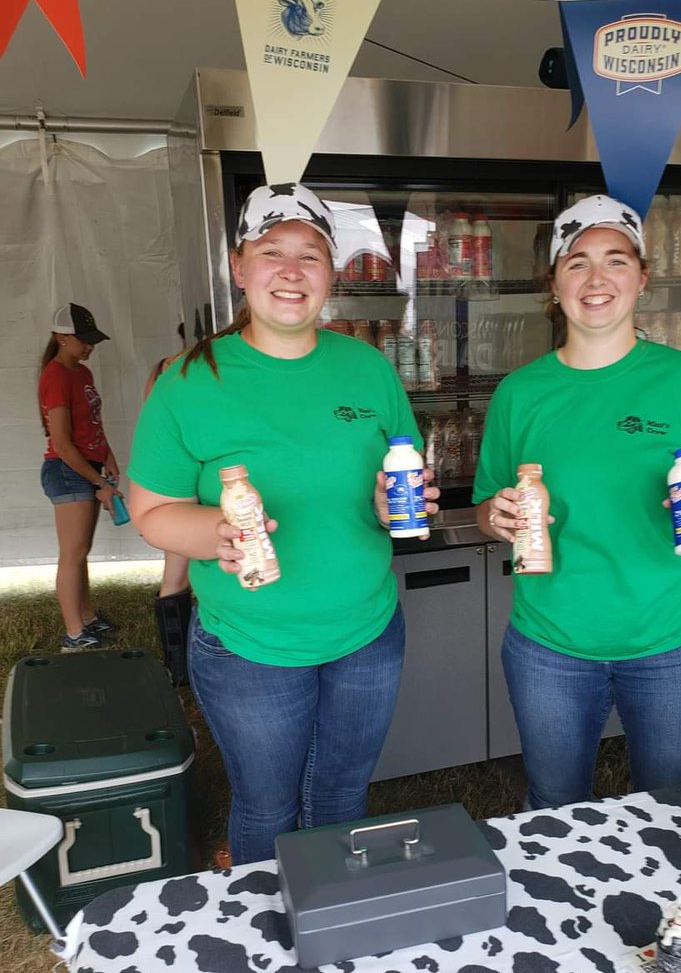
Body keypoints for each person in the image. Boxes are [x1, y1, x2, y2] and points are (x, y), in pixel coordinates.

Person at [128, 183, 439, 864]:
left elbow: (396, 479)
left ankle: (334, 923)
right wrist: (221, 535)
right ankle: (264, 942)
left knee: (343, 797)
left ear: (331, 274)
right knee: (268, 805)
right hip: (250, 647)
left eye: (311, 255)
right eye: (272, 252)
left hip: (367, 633)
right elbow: (151, 513)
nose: (291, 271)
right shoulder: (188, 381)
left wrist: (392, 507)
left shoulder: (366, 367)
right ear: (240, 267)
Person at [473, 194, 681, 807]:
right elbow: (487, 506)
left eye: (616, 261)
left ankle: (675, 908)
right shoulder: (521, 392)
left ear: (642, 278)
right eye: (577, 262)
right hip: (550, 645)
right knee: (556, 806)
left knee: (678, 807)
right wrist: (499, 515)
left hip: (674, 640)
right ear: (554, 283)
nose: (597, 279)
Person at [38, 303, 124, 651]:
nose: (89, 346)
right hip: (67, 470)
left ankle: (87, 618)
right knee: (72, 554)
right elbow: (62, 443)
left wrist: (108, 457)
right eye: (82, 339)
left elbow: (91, 425)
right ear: (60, 337)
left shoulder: (82, 374)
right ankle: (74, 635)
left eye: (92, 339)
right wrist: (99, 482)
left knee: (81, 550)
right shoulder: (55, 376)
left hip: (86, 467)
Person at [142, 330, 191, 685]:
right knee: (178, 577)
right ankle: (178, 662)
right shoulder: (192, 366)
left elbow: (149, 421)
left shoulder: (163, 367)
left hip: (178, 486)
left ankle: (177, 663)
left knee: (175, 577)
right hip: (191, 488)